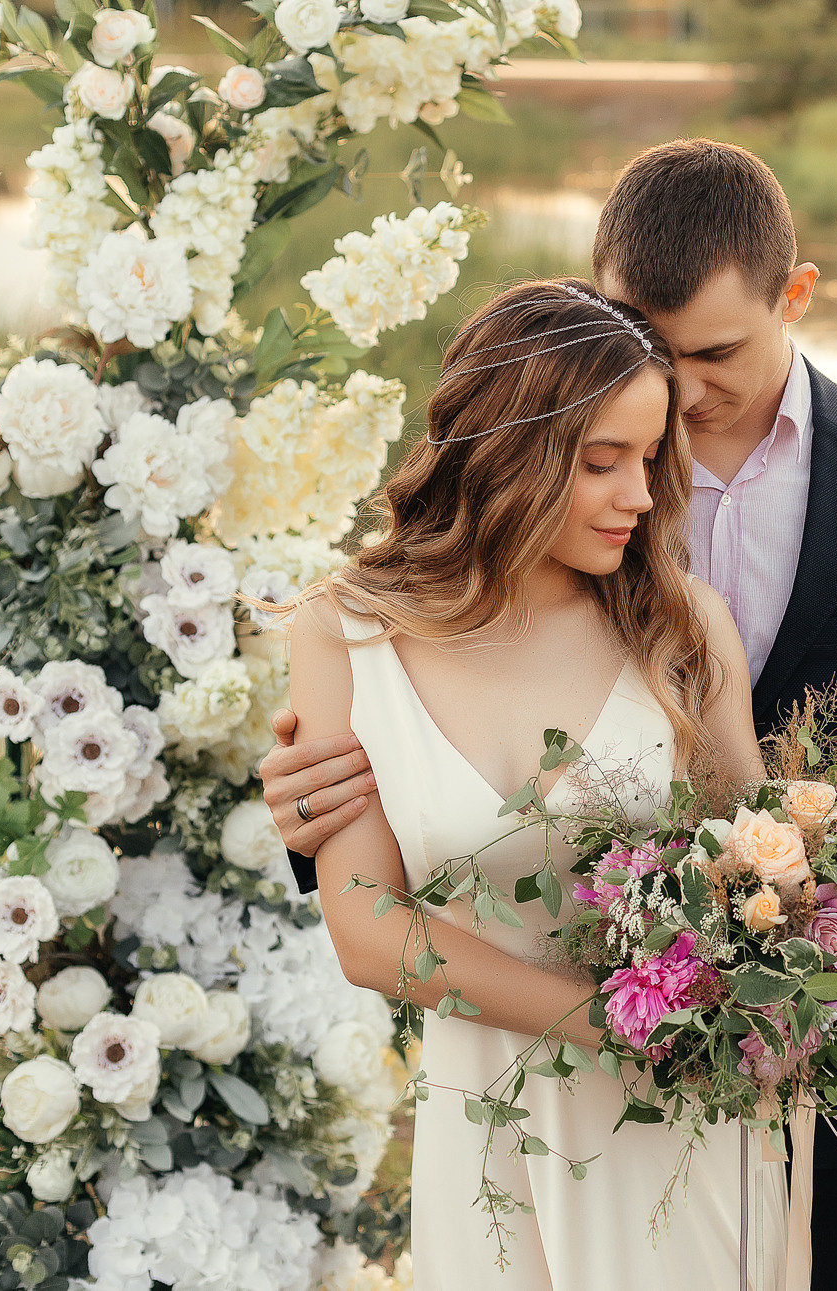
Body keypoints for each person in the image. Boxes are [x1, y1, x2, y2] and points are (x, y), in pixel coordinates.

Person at [267, 140, 837, 1291]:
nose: (654, 468)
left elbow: (819, 822)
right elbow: (379, 876)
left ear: (791, 297)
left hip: (768, 1045)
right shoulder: (369, 618)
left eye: (710, 357)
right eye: (616, 445)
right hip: (511, 1094)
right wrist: (321, 803)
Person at [285, 279, 791, 1288]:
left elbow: (768, 874)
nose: (640, 497)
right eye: (602, 462)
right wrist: (602, 1019)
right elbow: (365, 929)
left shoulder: (682, 627)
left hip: (680, 1126)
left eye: (649, 460)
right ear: (505, 451)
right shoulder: (345, 632)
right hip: (487, 1123)